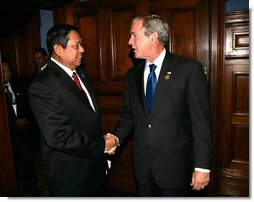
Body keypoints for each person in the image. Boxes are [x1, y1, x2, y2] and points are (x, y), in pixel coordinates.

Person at [109, 14, 212, 197]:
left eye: (134, 35)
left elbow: (201, 122)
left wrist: (202, 166)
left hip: (176, 167)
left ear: (153, 37)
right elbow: (128, 115)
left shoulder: (189, 69)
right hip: (143, 167)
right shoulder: (132, 75)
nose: (129, 41)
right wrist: (116, 138)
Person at [28, 24, 117, 196]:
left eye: (81, 44)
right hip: (71, 176)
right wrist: (101, 145)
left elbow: (87, 117)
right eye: (76, 45)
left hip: (93, 169)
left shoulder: (80, 73)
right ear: (58, 49)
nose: (82, 49)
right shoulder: (42, 85)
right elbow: (58, 137)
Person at [2, 62, 41, 196]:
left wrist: (26, 120)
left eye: (8, 70)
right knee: (10, 168)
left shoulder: (20, 86)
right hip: (7, 137)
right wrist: (14, 121)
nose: (7, 73)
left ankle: (32, 189)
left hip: (24, 134)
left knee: (28, 162)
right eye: (3, 70)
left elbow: (30, 105)